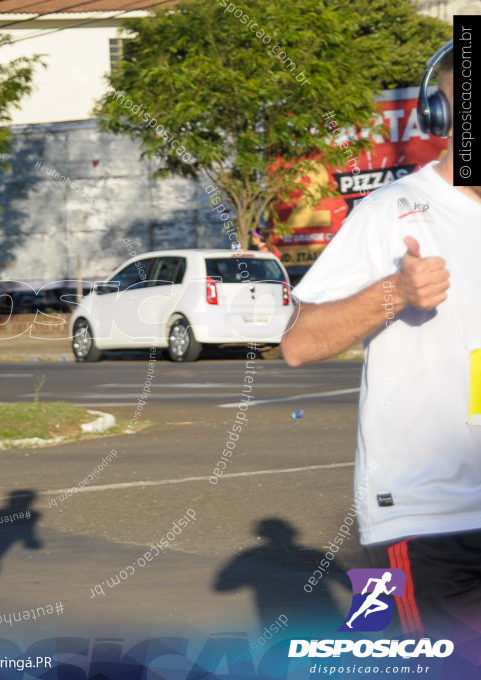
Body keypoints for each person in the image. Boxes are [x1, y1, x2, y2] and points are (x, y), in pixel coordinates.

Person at [281, 41, 481, 640]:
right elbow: (298, 342)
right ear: (443, 116)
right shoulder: (392, 213)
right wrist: (394, 291)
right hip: (434, 515)